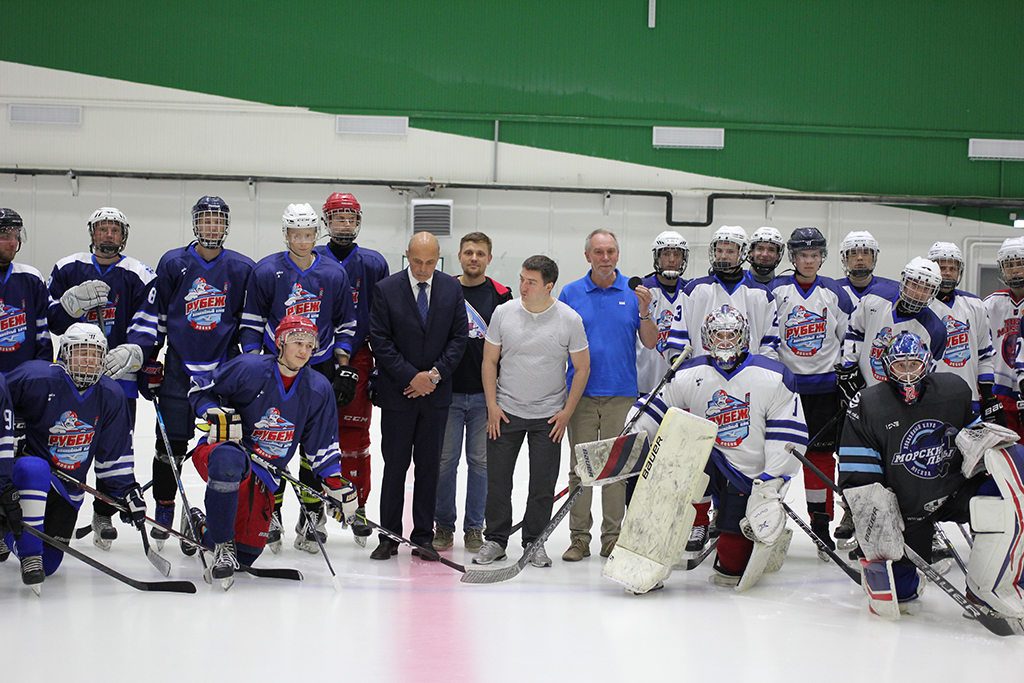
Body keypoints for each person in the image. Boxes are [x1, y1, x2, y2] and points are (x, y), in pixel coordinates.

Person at [838, 331, 1024, 620]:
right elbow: (859, 475)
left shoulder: (953, 390)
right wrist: (874, 516)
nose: (908, 372)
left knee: (1001, 499)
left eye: (914, 364)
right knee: (900, 597)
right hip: (904, 509)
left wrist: (986, 444)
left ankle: (988, 586)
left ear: (926, 363)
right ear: (887, 367)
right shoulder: (868, 404)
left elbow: (974, 436)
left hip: (953, 490)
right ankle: (903, 574)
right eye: (900, 365)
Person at [627, 305, 806, 586]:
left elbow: (787, 436)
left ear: (743, 337)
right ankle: (656, 550)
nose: (724, 342)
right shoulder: (690, 372)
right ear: (706, 338)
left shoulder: (774, 376)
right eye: (717, 335)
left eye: (731, 335)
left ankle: (754, 535)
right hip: (703, 459)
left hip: (746, 473)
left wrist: (771, 482)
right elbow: (656, 406)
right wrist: (629, 438)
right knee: (663, 479)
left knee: (731, 566)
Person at [187, 315, 355, 588]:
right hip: (224, 453)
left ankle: (200, 525)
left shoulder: (318, 388)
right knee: (230, 462)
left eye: (309, 345)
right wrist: (212, 410)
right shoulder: (248, 368)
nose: (303, 350)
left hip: (266, 472)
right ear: (280, 343)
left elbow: (322, 443)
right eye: (297, 342)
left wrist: (335, 483)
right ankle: (222, 545)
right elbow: (200, 389)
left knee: (246, 555)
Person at [240, 203, 358, 553]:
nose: (303, 241)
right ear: (286, 234)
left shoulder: (333, 273)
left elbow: (345, 322)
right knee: (272, 440)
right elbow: (251, 322)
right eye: (296, 235)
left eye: (308, 235)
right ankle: (271, 512)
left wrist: (343, 364)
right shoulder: (266, 271)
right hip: (276, 365)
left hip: (318, 365)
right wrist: (255, 365)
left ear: (316, 234)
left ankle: (311, 514)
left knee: (314, 443)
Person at [2, 324, 144, 591]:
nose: (88, 360)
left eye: (95, 354)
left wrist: (127, 492)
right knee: (34, 467)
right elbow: (2, 401)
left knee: (50, 564)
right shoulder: (35, 377)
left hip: (69, 488)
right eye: (81, 352)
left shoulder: (111, 394)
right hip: (28, 478)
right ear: (65, 354)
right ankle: (29, 555)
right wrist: (14, 433)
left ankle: (7, 535)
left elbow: (114, 453)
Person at [46, 207, 157, 549]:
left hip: (117, 379)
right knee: (68, 443)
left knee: (114, 449)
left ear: (124, 235)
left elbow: (147, 322)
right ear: (92, 232)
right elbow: (50, 319)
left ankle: (103, 513)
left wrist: (133, 351)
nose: (108, 234)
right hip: (70, 376)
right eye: (102, 229)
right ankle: (54, 512)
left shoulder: (139, 273)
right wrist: (70, 305)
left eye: (115, 229)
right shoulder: (67, 267)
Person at [150, 196, 254, 549]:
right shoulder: (173, 262)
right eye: (206, 220)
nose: (212, 226)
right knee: (170, 443)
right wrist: (151, 358)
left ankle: (226, 516)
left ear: (226, 225)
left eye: (217, 220)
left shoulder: (242, 267)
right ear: (195, 224)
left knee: (228, 444)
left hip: (224, 367)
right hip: (180, 365)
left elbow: (248, 320)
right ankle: (165, 506)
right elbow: (159, 316)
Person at [473, 255, 590, 567]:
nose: (523, 287)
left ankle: (534, 542)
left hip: (548, 417)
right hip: (505, 412)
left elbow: (582, 368)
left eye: (531, 282)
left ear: (549, 286)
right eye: (522, 279)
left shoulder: (569, 319)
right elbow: (489, 361)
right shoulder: (504, 313)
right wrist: (492, 405)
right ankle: (495, 540)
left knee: (542, 485)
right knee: (498, 482)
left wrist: (566, 412)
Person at [558, 229, 658, 562]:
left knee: (618, 469)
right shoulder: (571, 293)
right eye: (598, 252)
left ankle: (612, 538)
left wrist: (645, 311)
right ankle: (579, 539)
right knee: (581, 469)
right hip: (581, 395)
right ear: (587, 256)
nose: (605, 258)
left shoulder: (635, 292)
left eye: (611, 251)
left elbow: (651, 342)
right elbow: (558, 342)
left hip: (621, 395)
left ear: (618, 254)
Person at [368, 232, 467, 560]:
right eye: (417, 261)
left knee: (429, 468)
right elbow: (380, 341)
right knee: (395, 467)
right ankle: (388, 537)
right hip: (398, 395)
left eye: (430, 262)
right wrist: (412, 377)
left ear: (439, 259)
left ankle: (423, 537)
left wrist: (433, 376)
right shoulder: (386, 289)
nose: (423, 269)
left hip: (435, 396)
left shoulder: (451, 288)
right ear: (407, 256)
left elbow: (458, 338)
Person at [769, 227, 853, 553]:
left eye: (814, 255)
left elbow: (849, 338)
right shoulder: (776, 290)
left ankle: (821, 524)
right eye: (803, 255)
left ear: (822, 257)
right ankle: (767, 521)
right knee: (775, 457)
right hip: (786, 393)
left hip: (824, 392)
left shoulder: (834, 292)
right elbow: (767, 338)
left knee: (819, 459)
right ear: (793, 257)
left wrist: (845, 373)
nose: (808, 261)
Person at [315, 192, 390, 543]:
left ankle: (357, 505)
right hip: (313, 358)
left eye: (350, 218)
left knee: (356, 436)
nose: (345, 224)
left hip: (358, 356)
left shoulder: (373, 263)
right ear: (326, 221)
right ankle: (313, 510)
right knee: (312, 435)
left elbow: (384, 318)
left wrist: (380, 366)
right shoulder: (312, 258)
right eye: (338, 217)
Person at [432, 232, 512, 553]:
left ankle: (474, 528)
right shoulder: (444, 288)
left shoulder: (502, 295)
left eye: (480, 253)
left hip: (485, 398)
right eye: (468, 252)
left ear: (489, 259)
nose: (474, 258)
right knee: (444, 463)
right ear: (459, 256)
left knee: (480, 464)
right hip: (448, 394)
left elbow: (509, 346)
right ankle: (443, 526)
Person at [839, 257, 947, 402]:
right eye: (915, 285)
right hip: (863, 390)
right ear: (904, 281)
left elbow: (928, 376)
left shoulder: (936, 331)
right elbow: (855, 332)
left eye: (926, 288)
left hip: (901, 402)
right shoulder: (875, 296)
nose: (918, 293)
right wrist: (849, 368)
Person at [666, 225, 780, 361]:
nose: (723, 256)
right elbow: (678, 342)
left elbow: (769, 346)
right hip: (703, 371)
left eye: (730, 252)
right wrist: (684, 367)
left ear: (743, 253)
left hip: (747, 372)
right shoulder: (694, 290)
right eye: (719, 251)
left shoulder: (761, 295)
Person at [926, 242, 997, 419]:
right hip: (927, 399)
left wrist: (988, 398)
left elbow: (984, 355)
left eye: (953, 268)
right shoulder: (920, 306)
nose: (948, 272)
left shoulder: (975, 305)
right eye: (942, 268)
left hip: (968, 399)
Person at [0, 208, 52, 373]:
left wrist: (40, 373)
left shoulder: (31, 278)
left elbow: (43, 332)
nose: (13, 243)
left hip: (23, 378)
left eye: (16, 236)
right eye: (6, 236)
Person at [636, 231, 688, 395]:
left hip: (680, 384)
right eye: (666, 254)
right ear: (657, 257)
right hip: (644, 382)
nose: (671, 260)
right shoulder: (641, 290)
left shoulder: (692, 291)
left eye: (677, 255)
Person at [987, 238, 1024, 440]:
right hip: (1000, 396)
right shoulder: (990, 304)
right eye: (1009, 265)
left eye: (1020, 263)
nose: (1015, 270)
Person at [837, 231, 899, 305]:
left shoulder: (892, 290)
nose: (860, 258)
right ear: (845, 259)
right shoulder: (834, 290)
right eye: (853, 253)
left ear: (874, 258)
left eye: (865, 253)